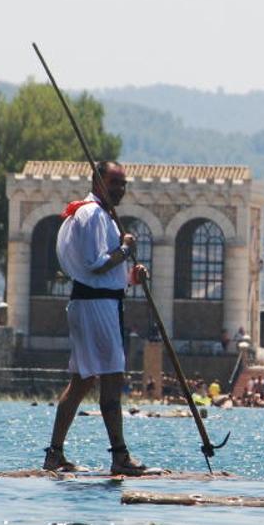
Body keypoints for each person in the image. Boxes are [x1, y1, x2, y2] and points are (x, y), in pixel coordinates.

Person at [44, 161, 151, 475]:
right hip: (96, 307)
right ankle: (119, 455)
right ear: (97, 181)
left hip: (99, 301)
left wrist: (131, 276)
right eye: (113, 183)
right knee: (112, 378)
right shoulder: (91, 215)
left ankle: (54, 454)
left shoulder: (103, 216)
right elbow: (94, 264)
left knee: (81, 382)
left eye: (122, 184)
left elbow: (106, 271)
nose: (119, 189)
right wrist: (125, 250)